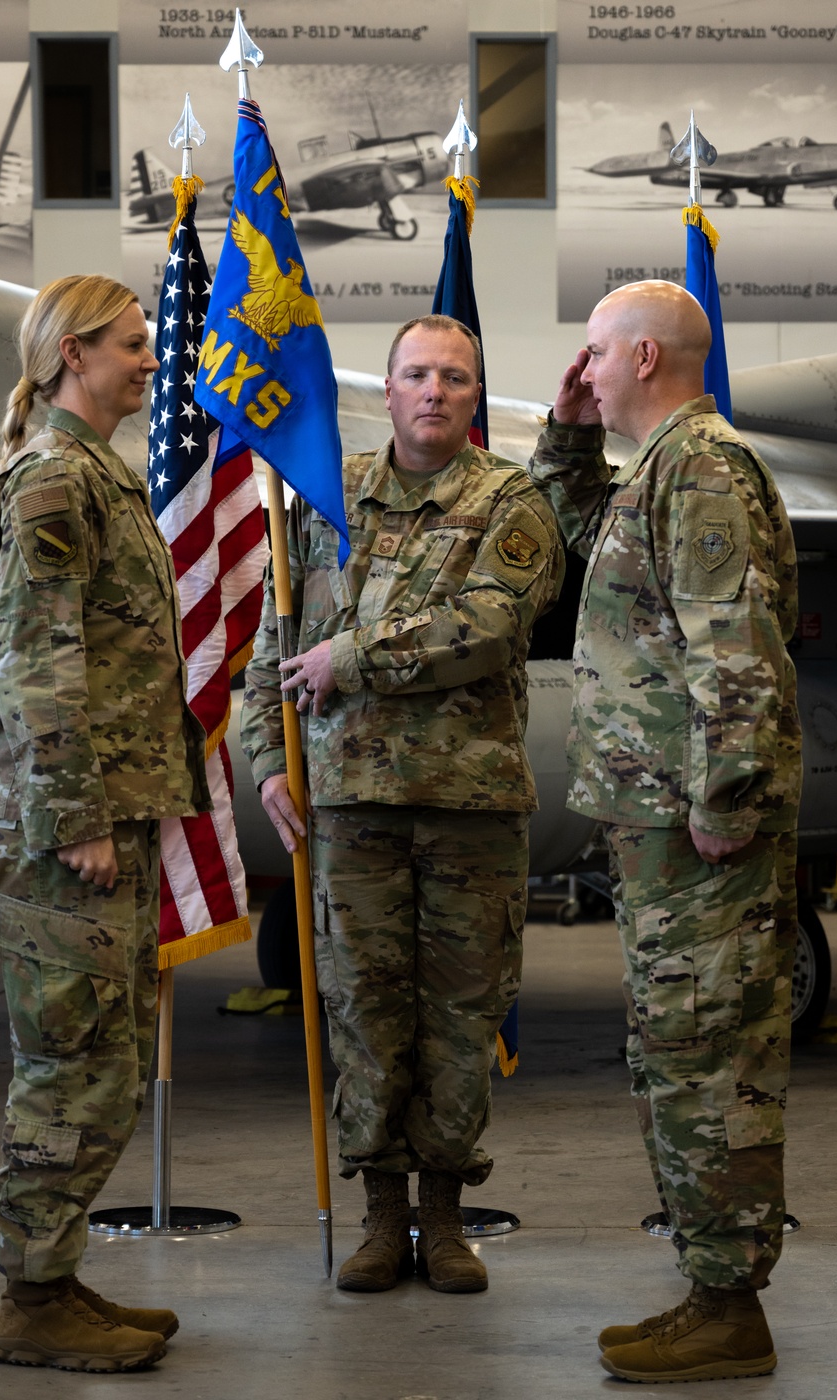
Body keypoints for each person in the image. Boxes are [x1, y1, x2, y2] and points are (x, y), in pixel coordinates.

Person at [241, 314, 563, 1295]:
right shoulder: (325, 499)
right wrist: (265, 759)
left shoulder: (512, 499)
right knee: (364, 1014)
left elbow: (490, 621)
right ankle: (382, 1214)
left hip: (469, 807)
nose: (434, 390)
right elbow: (273, 637)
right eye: (416, 373)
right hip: (351, 807)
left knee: (460, 1018)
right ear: (384, 390)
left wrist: (356, 658)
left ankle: (445, 1215)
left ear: (474, 395)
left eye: (454, 377)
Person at [528, 281, 801, 1383]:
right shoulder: (656, 469)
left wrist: (725, 801)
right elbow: (584, 537)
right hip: (660, 822)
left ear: (642, 355)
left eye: (593, 355)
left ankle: (730, 1304)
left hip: (700, 833)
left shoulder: (700, 469)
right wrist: (563, 437)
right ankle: (708, 1285)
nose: (582, 368)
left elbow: (731, 647)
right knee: (675, 1052)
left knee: (708, 1055)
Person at [0, 275, 210, 1372]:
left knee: (107, 1061)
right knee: (71, 1063)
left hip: (106, 812)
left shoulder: (96, 476)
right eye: (131, 343)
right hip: (62, 824)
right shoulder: (50, 483)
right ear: (73, 353)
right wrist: (75, 813)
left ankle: (54, 1273)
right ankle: (31, 1295)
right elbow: (39, 664)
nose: (150, 361)